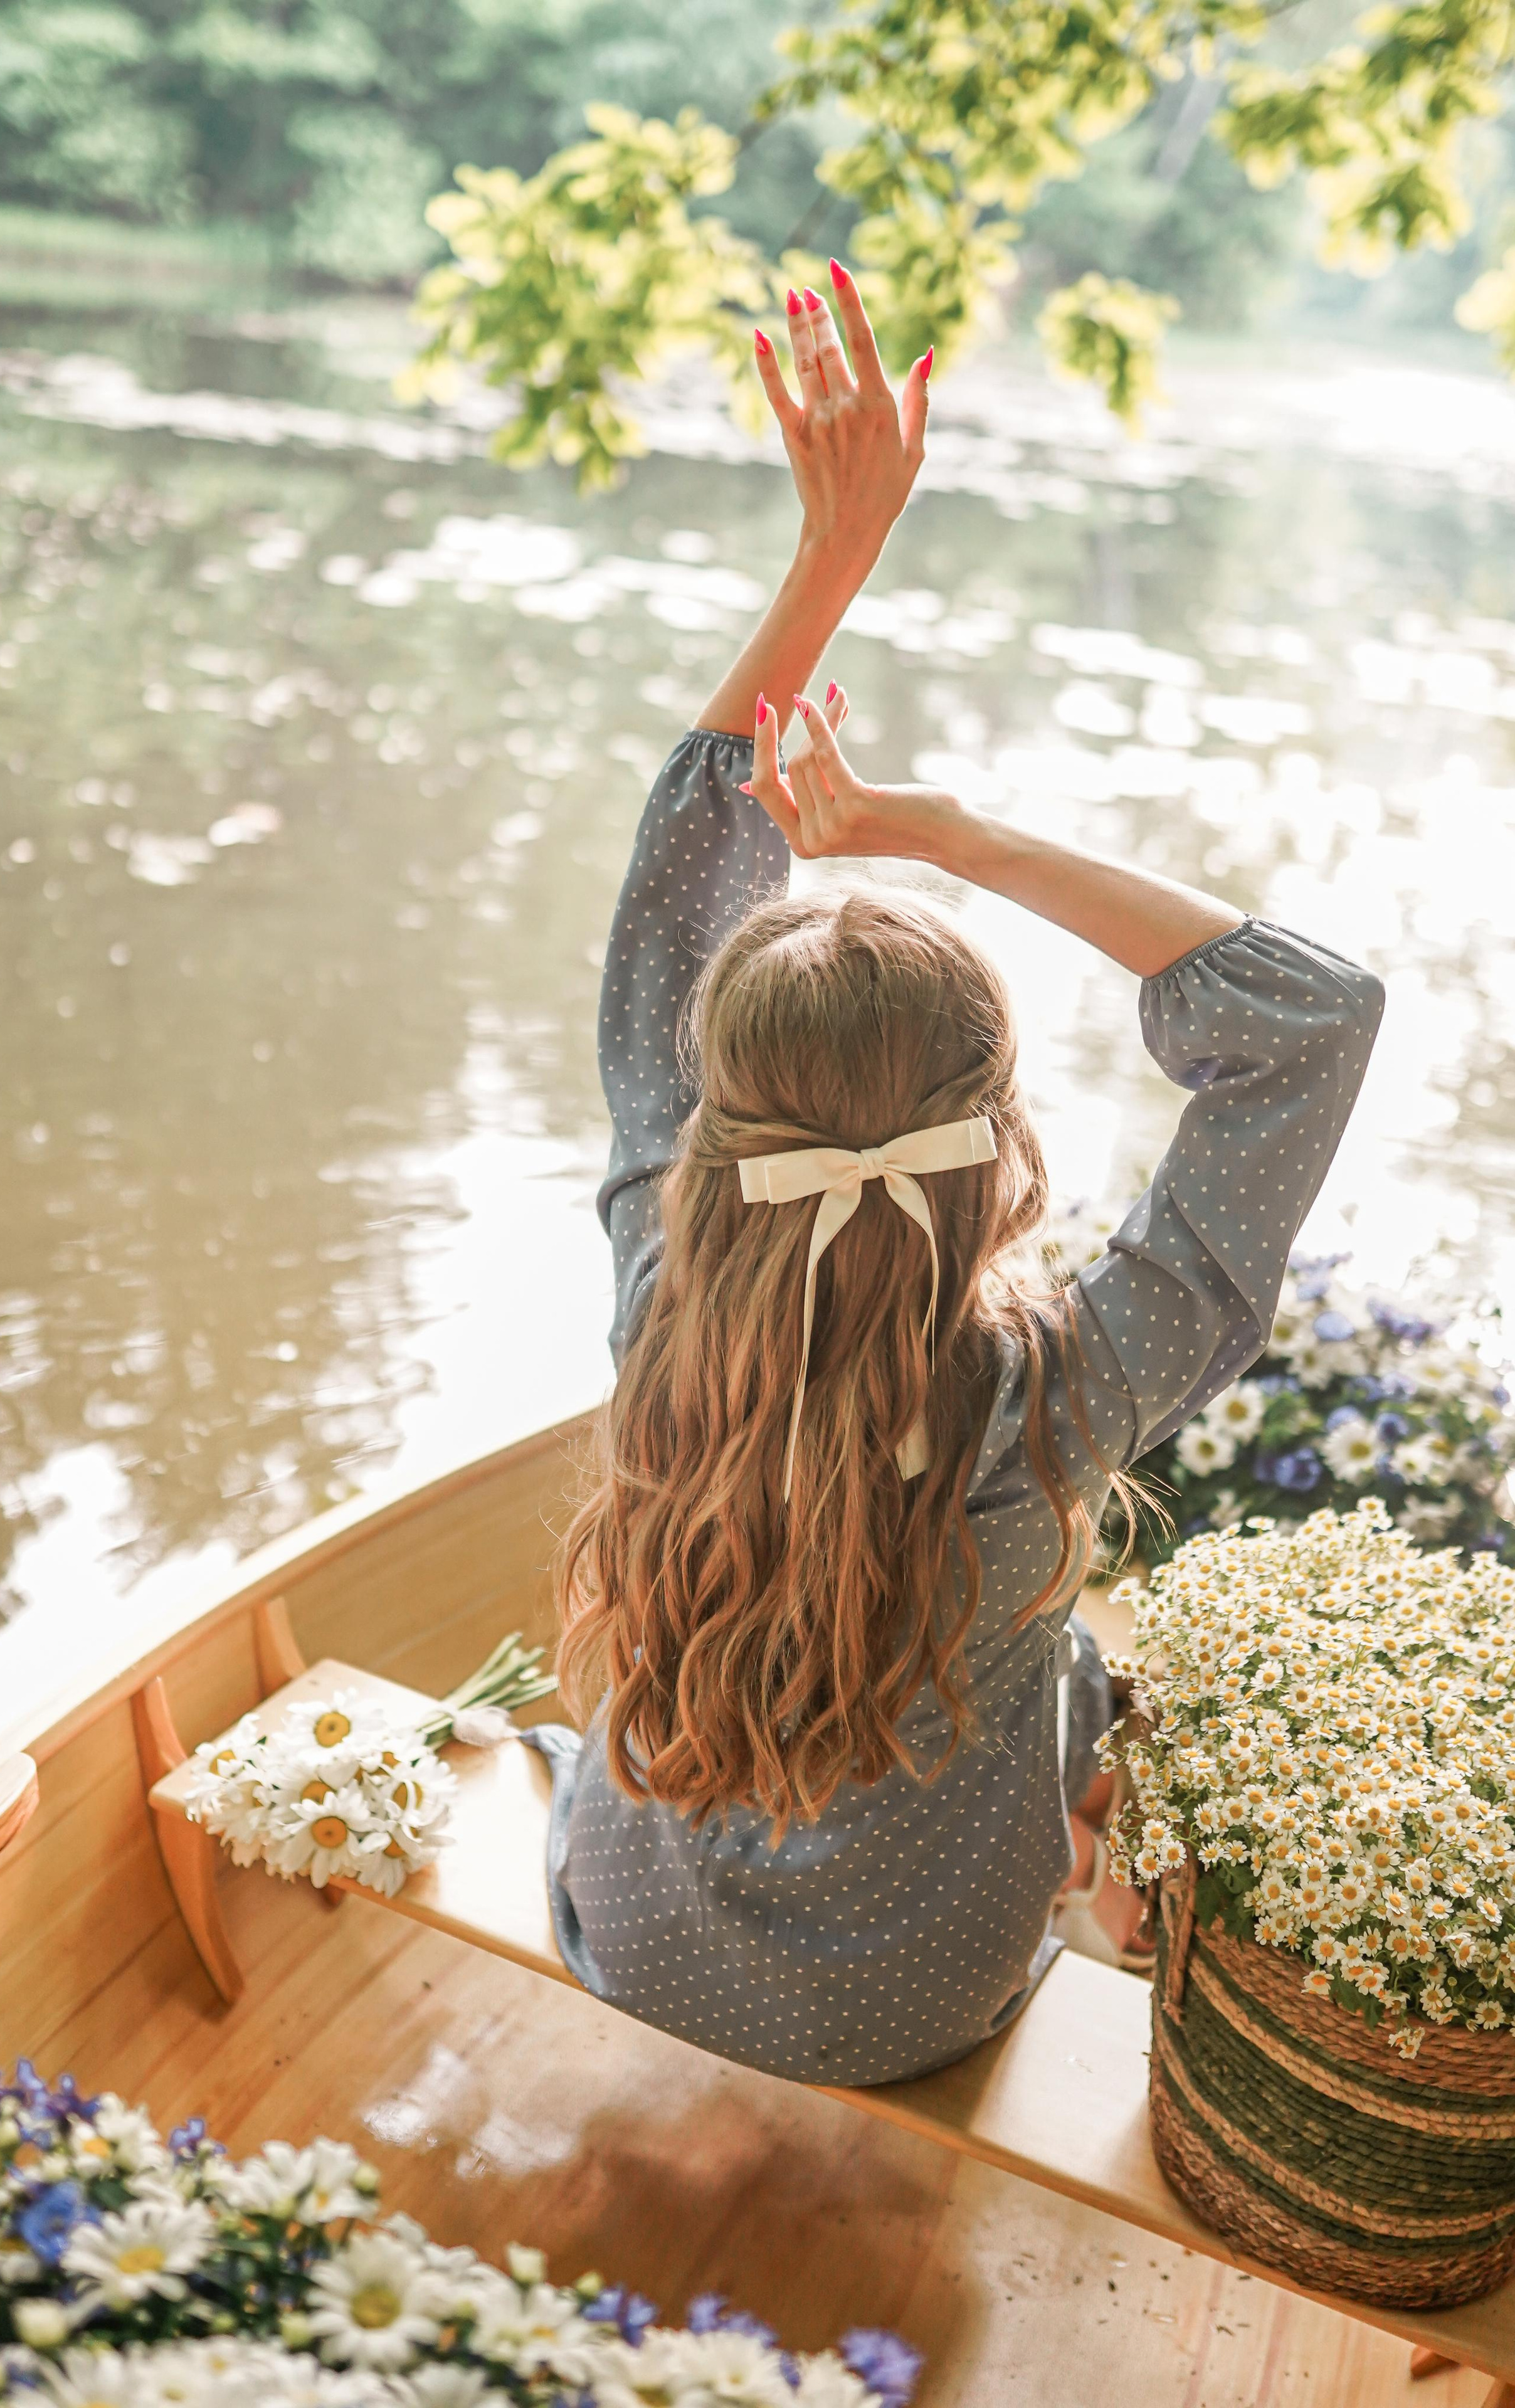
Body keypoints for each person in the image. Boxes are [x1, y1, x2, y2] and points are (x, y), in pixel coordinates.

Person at [522, 266, 1384, 2088]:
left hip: (631, 1936)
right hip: (916, 2013)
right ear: (1001, 1141)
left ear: (716, 1121)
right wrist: (946, 835)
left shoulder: (661, 1296)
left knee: (1025, 1675)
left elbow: (679, 886)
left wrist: (834, 546)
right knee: (1063, 1671)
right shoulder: (1067, 1393)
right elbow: (1306, 1024)